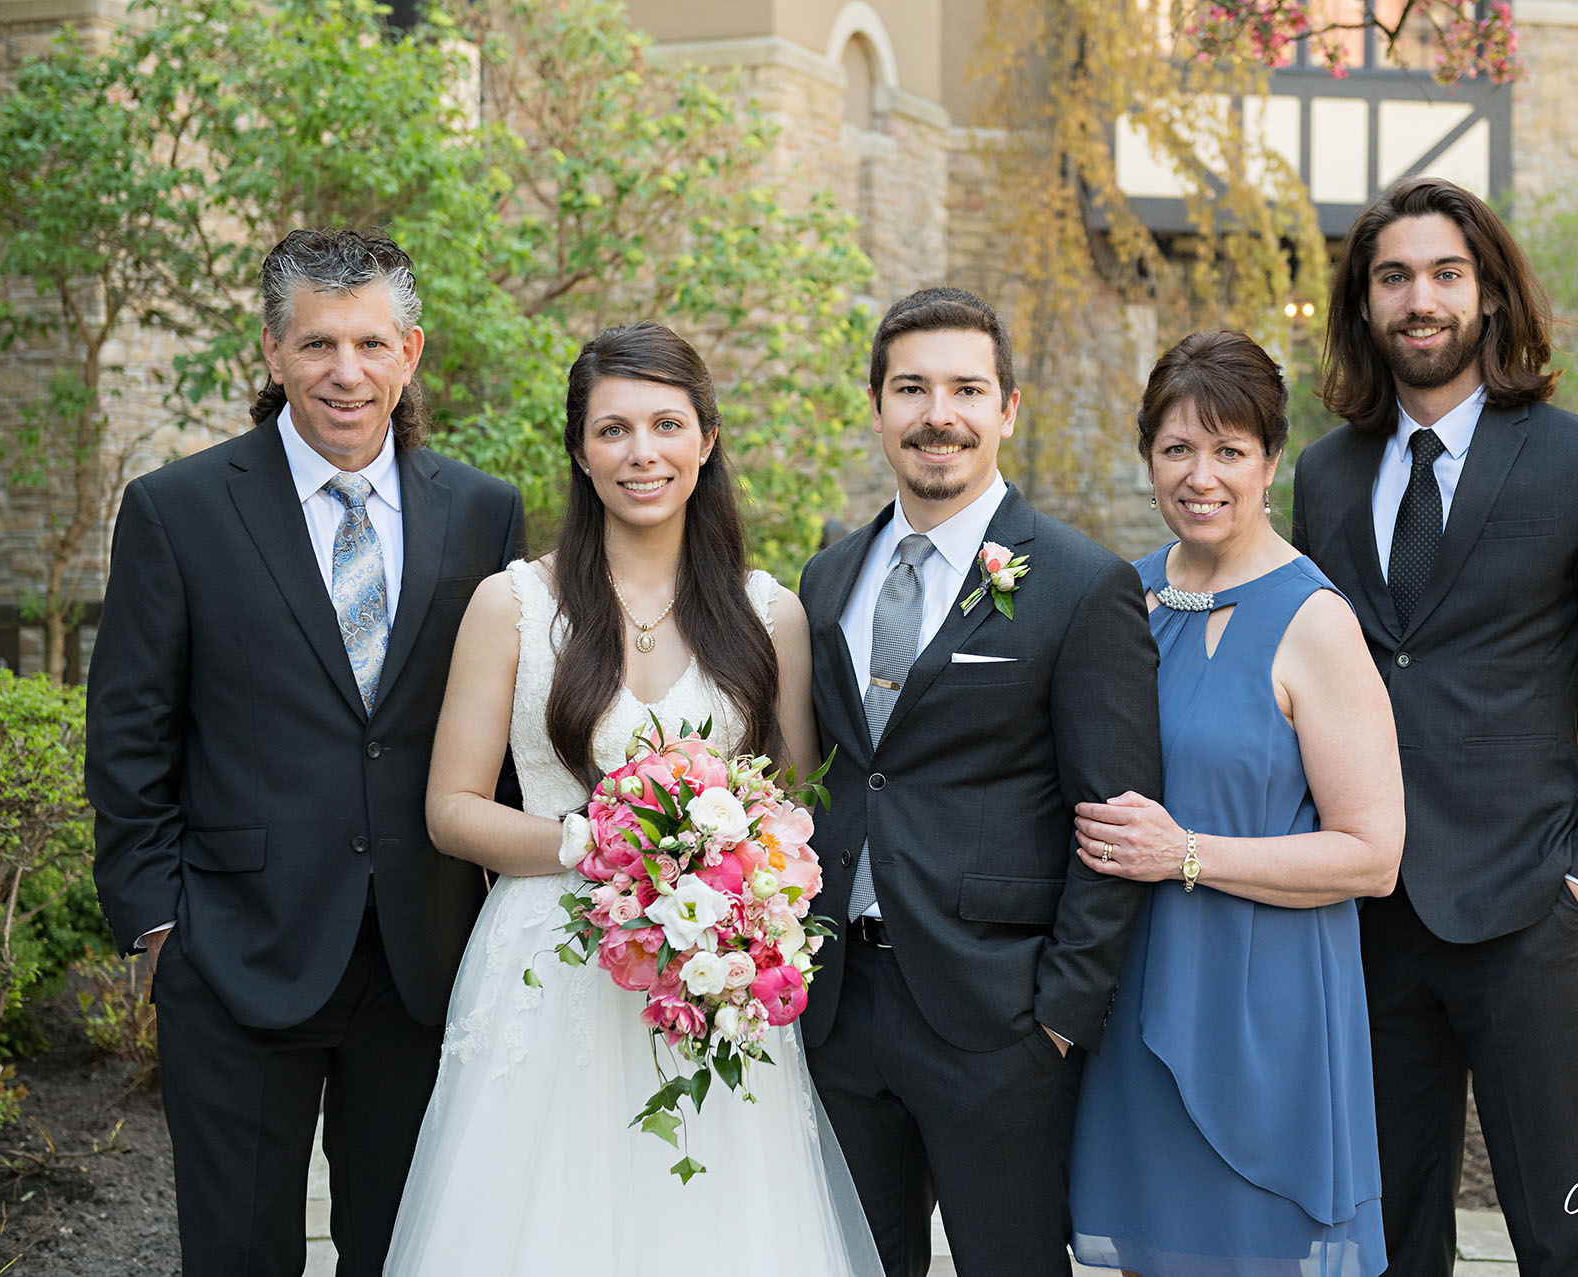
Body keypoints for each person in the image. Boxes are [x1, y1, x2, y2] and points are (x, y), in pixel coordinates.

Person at [383, 322, 883, 1276]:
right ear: (579, 449)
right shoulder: (513, 606)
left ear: (707, 440)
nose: (642, 453)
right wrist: (604, 847)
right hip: (547, 969)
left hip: (707, 987)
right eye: (613, 429)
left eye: (666, 424)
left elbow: (791, 812)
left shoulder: (770, 615)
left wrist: (731, 880)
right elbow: (451, 809)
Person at [86, 228, 526, 1275]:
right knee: (237, 1251)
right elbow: (130, 730)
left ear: (410, 353)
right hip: (235, 948)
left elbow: (506, 729)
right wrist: (159, 924)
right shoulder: (178, 509)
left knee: (407, 1249)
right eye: (320, 344)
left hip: (423, 958)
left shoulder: (482, 511)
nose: (347, 372)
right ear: (275, 352)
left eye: (372, 344)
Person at [1290, 176, 1578, 1276]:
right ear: (1365, 305)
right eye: (1394, 276)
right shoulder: (1324, 475)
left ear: (1490, 295)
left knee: (1562, 1236)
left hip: (1525, 913)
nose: (1421, 299)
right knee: (1384, 1237)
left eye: (1445, 274)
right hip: (1365, 920)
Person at [798, 286, 1163, 1277]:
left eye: (966, 388)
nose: (938, 414)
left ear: (1008, 409)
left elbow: (1116, 814)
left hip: (996, 1017)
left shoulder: (1083, 585)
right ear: (877, 407)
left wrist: (1056, 1014)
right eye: (911, 388)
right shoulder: (825, 580)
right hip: (839, 1009)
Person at [1064, 330, 1402, 1276]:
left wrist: (1187, 853)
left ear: (1269, 462)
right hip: (1136, 1003)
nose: (1200, 474)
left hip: (1270, 1010)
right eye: (1176, 448)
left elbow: (1373, 856)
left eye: (1229, 450)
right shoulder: (1118, 598)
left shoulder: (1316, 621)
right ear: (1148, 459)